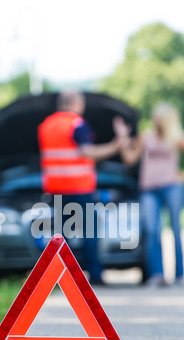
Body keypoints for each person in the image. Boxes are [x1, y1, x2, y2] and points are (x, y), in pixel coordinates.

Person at [114, 103, 184, 286]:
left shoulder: (177, 138)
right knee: (152, 230)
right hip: (149, 189)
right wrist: (122, 138)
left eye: (159, 118)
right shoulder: (146, 137)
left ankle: (179, 275)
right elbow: (130, 159)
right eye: (154, 117)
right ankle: (157, 274)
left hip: (172, 187)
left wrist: (183, 175)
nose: (155, 121)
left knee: (176, 230)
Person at [38, 90, 123, 286]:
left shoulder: (46, 125)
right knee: (90, 231)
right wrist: (114, 146)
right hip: (79, 187)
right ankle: (95, 275)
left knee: (61, 234)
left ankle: (59, 277)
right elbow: (87, 152)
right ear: (75, 103)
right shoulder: (77, 124)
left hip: (55, 188)